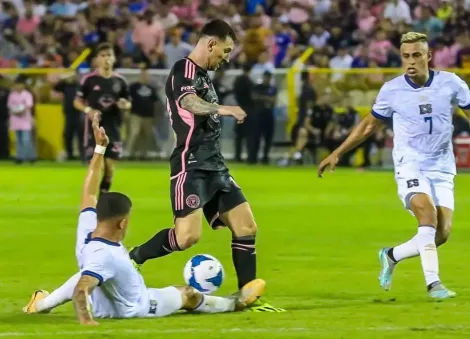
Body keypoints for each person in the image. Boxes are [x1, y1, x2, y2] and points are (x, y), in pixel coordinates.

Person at [22, 116, 266, 325]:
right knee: (187, 294)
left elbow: (89, 192)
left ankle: (42, 303)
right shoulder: (105, 255)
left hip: (114, 288)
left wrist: (99, 149)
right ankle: (233, 304)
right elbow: (81, 290)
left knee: (92, 273)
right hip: (137, 307)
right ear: (122, 223)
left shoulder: (88, 228)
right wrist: (87, 322)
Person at [128, 20, 284, 312]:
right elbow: (188, 102)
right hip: (191, 164)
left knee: (246, 226)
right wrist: (223, 109)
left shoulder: (203, 75)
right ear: (210, 44)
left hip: (216, 165)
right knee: (187, 236)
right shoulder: (183, 71)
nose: (226, 57)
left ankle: (247, 297)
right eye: (225, 50)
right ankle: (133, 257)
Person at [318, 32, 470, 299]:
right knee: (427, 217)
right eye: (405, 57)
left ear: (428, 56)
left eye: (416, 55)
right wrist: (338, 152)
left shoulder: (452, 84)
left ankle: (391, 255)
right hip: (409, 164)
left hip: (442, 165)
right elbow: (369, 125)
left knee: (442, 233)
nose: (410, 61)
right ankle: (434, 284)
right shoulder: (392, 90)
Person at [73, 43, 131, 194]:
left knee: (110, 168)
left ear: (114, 58)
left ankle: (103, 195)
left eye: (109, 55)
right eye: (103, 56)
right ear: (97, 59)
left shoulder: (121, 81)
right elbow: (77, 101)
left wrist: (124, 104)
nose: (106, 59)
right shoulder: (88, 80)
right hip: (94, 129)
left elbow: (128, 102)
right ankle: (93, 198)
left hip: (114, 128)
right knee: (99, 165)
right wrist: (88, 110)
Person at [127, 64, 159, 159]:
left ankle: (143, 154)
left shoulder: (152, 88)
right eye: (143, 75)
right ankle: (129, 154)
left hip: (148, 116)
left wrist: (155, 116)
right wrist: (127, 113)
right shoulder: (133, 87)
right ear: (140, 76)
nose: (145, 77)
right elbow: (128, 100)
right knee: (134, 133)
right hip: (136, 114)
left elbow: (155, 102)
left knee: (147, 136)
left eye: (146, 75)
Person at [53, 72, 84, 161]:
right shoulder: (66, 86)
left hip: (79, 113)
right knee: (68, 135)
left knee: (81, 135)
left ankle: (82, 154)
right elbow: (56, 88)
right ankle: (69, 153)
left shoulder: (79, 86)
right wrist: (63, 79)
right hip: (69, 113)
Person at [249, 71, 277, 164]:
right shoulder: (258, 87)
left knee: (268, 138)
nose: (267, 79)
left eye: (268, 77)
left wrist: (262, 98)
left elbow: (274, 101)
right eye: (266, 77)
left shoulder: (273, 88)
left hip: (269, 114)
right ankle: (253, 158)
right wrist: (267, 98)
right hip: (258, 115)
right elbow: (254, 97)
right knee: (256, 137)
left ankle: (265, 158)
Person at [7, 76, 36, 164]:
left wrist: (20, 111)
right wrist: (15, 111)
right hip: (15, 120)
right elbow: (10, 106)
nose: (18, 87)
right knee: (18, 139)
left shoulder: (27, 94)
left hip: (25, 119)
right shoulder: (12, 95)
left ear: (23, 85)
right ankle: (19, 157)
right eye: (16, 85)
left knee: (26, 139)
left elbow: (28, 106)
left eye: (20, 85)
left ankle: (30, 157)